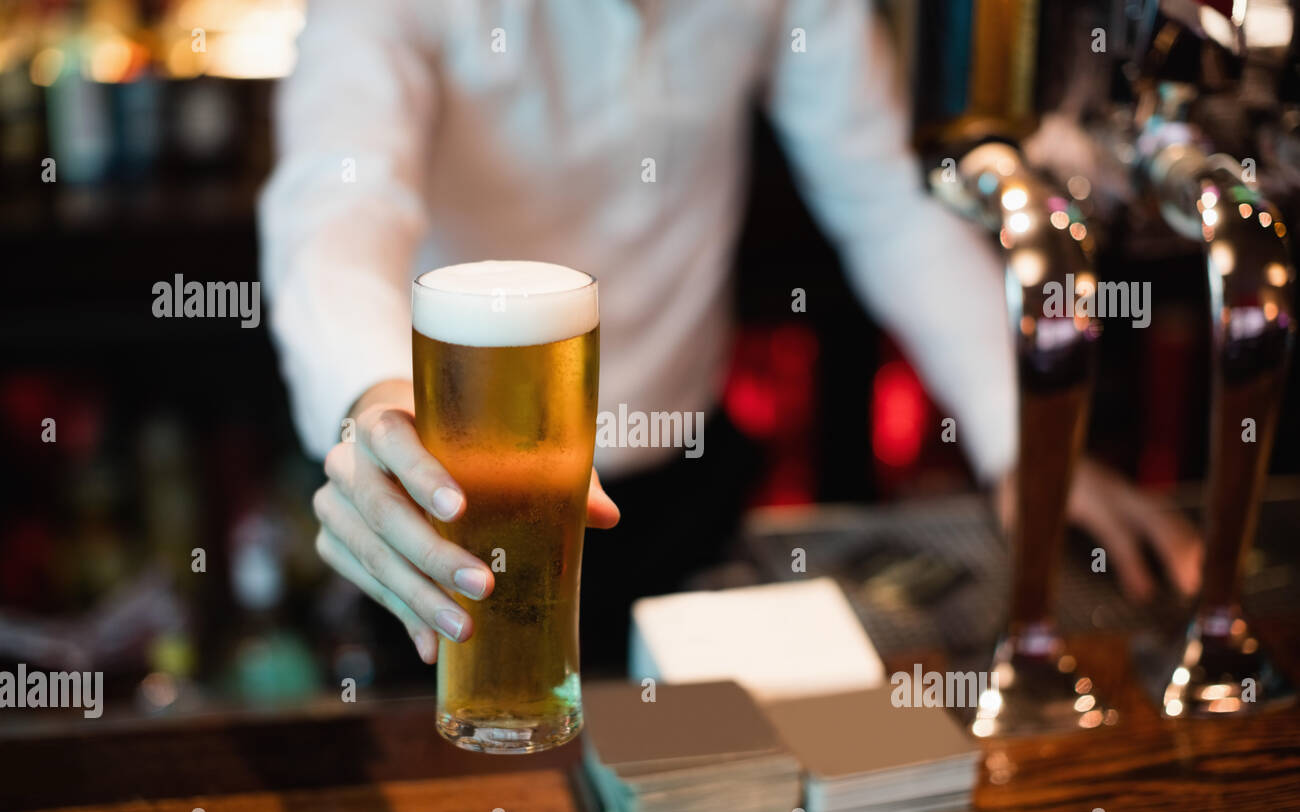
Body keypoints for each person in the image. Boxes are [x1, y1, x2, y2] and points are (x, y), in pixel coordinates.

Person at [258, 0, 1201, 672]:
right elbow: (334, 205)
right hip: (446, 500)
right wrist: (372, 399)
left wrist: (1018, 437)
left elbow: (886, 201)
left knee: (692, 791)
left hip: (681, 491)